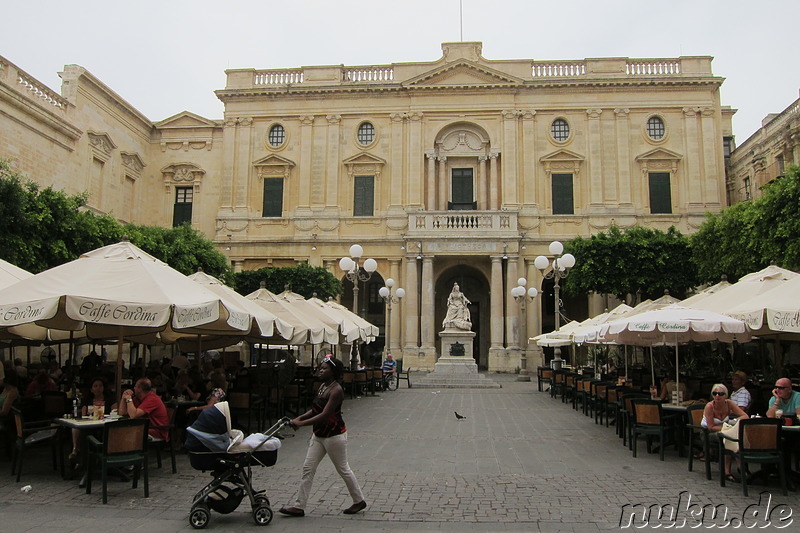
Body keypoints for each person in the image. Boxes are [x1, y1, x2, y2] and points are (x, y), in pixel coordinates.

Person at [279, 357, 366, 517]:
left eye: (324, 368)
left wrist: (301, 424)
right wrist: (299, 418)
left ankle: (359, 500)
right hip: (319, 434)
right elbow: (315, 409)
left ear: (333, 371)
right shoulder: (323, 387)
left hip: (334, 435)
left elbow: (325, 415)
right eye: (320, 367)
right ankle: (299, 506)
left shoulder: (336, 390)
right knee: (308, 468)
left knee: (343, 469)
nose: (320, 370)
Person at [702, 383, 748, 482]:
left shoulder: (729, 403)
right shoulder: (709, 406)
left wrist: (734, 423)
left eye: (720, 393)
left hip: (725, 430)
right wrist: (728, 428)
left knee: (737, 436)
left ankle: (740, 465)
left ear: (725, 395)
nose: (717, 396)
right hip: (708, 433)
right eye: (715, 393)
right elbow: (711, 427)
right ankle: (729, 471)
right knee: (728, 437)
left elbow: (744, 416)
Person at [70, 377, 118, 460]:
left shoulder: (110, 399)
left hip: (105, 426)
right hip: (90, 425)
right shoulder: (87, 400)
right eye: (95, 386)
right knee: (77, 429)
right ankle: (76, 452)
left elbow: (115, 411)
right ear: (91, 389)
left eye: (100, 386)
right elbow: (83, 415)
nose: (98, 388)